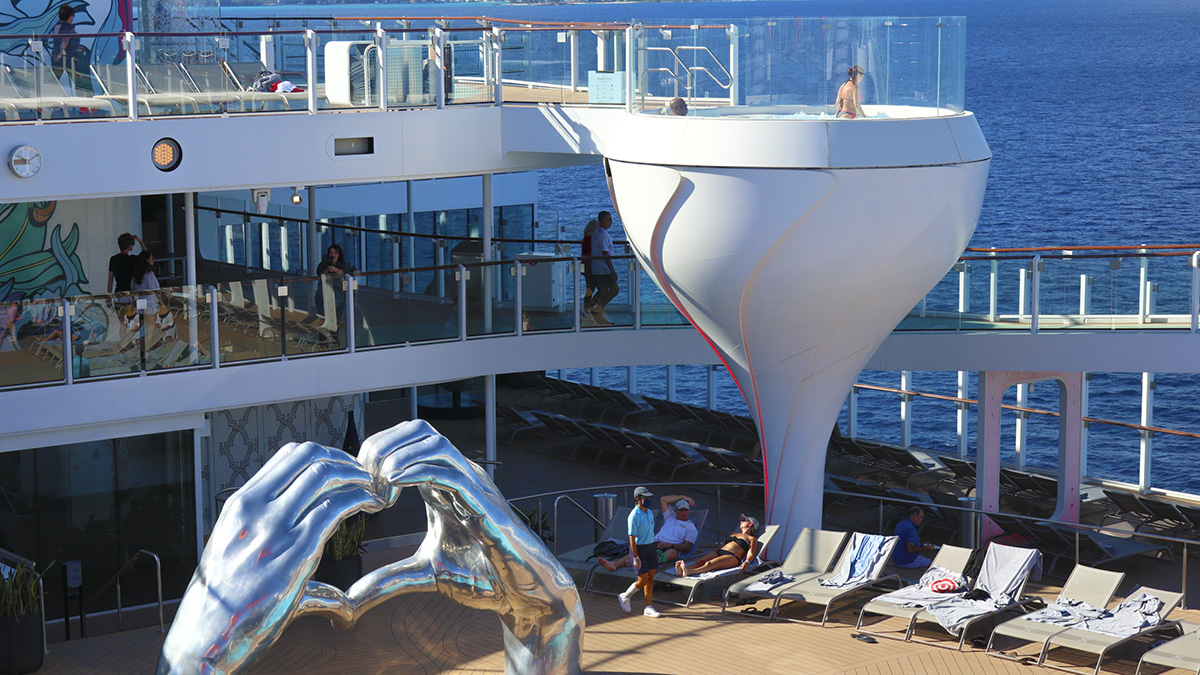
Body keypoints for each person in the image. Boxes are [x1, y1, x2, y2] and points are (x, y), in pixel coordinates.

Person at [598, 494, 697, 571]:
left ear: (689, 511)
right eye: (681, 509)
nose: (683, 512)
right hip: (656, 543)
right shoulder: (670, 517)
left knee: (671, 554)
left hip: (672, 547)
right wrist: (683, 497)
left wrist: (670, 545)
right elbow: (663, 499)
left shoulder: (691, 527)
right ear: (676, 510)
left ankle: (639, 563)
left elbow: (687, 547)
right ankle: (615, 564)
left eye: (686, 510)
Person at [616, 486, 662, 617]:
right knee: (642, 580)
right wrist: (635, 557)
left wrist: (655, 548)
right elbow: (631, 538)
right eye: (645, 497)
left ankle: (648, 607)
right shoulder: (633, 516)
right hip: (639, 549)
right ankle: (625, 595)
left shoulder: (650, 512)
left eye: (649, 497)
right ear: (637, 499)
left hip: (651, 548)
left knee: (650, 578)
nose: (648, 500)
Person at [676, 515, 759, 577]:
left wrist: (747, 562)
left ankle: (690, 572)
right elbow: (723, 545)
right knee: (700, 561)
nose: (741, 522)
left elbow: (751, 552)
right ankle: (684, 570)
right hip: (720, 551)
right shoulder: (734, 534)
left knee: (709, 564)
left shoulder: (751, 539)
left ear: (750, 524)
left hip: (732, 556)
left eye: (744, 520)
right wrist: (713, 552)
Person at [49, 5, 91, 96]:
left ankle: (46, 98)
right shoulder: (68, 27)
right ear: (70, 16)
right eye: (72, 16)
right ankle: (81, 100)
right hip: (68, 58)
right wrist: (61, 53)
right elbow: (65, 41)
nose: (73, 18)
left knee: (54, 81)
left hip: (56, 56)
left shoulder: (57, 26)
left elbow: (58, 40)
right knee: (78, 81)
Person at [589, 211, 618, 326]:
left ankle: (593, 311)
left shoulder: (598, 232)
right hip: (603, 268)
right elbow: (605, 253)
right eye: (609, 219)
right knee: (614, 289)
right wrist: (612, 270)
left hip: (598, 267)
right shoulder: (601, 234)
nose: (611, 222)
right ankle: (597, 311)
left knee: (603, 291)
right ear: (603, 220)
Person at [580, 219, 599, 317]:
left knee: (590, 288)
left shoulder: (586, 239)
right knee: (599, 288)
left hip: (586, 266)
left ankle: (587, 308)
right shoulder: (591, 240)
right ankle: (589, 308)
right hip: (591, 267)